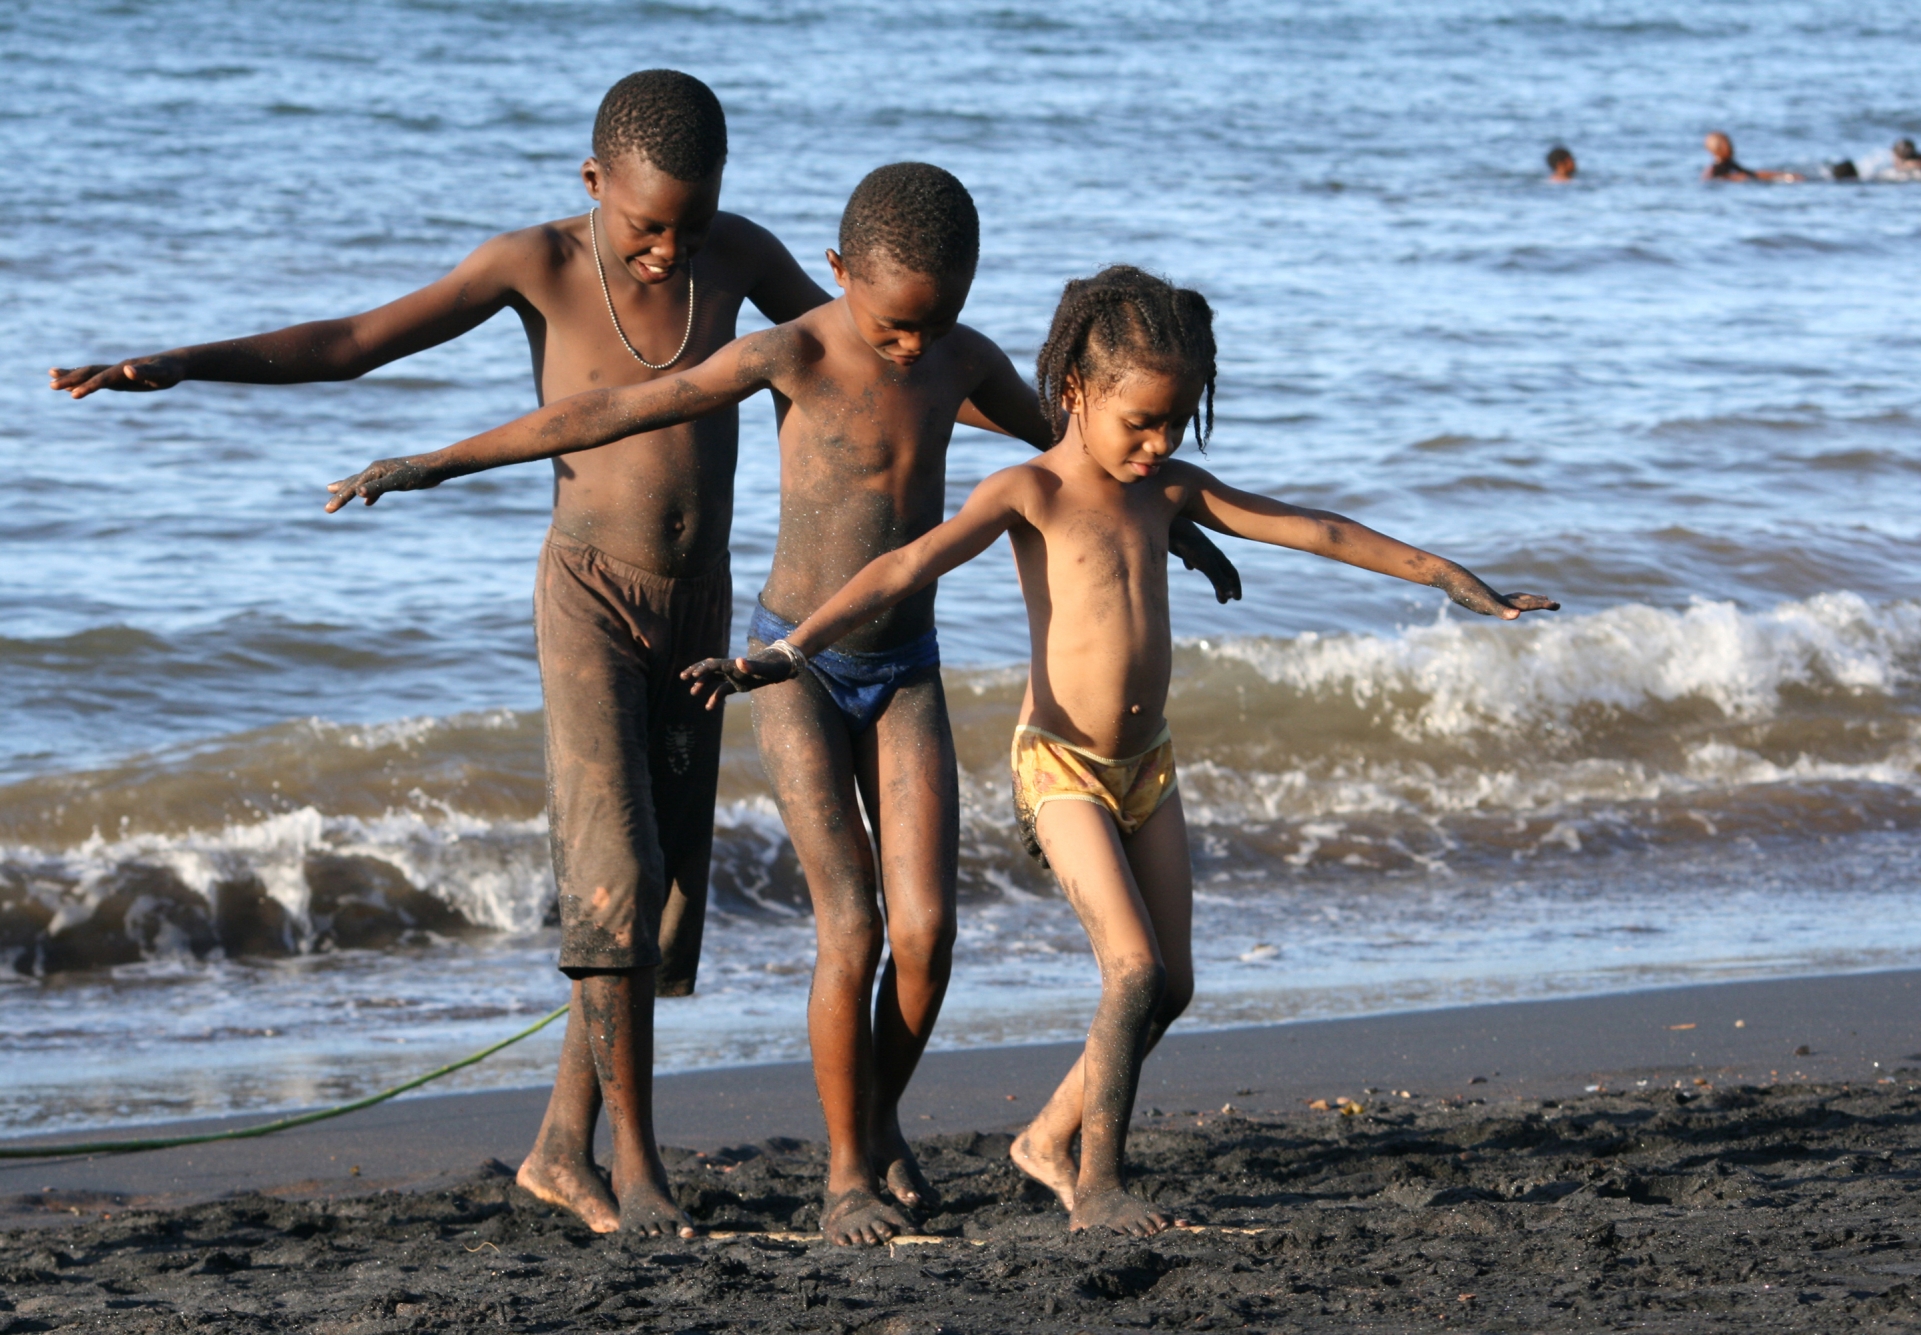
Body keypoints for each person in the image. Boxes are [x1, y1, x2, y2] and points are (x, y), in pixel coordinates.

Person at [321, 168, 1242, 1244]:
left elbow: (1087, 451)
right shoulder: (792, 351)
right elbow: (619, 407)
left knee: (931, 936)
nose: (916, 345)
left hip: (906, 669)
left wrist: (1173, 522)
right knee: (848, 924)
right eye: (898, 323)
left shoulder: (958, 356)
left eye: (939, 319)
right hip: (792, 666)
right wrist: (439, 462)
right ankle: (846, 1173)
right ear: (842, 272)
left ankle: (878, 1116)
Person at [49, 70, 861, 1240]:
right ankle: (636, 1172)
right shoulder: (534, 262)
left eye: (687, 223)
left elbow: (858, 352)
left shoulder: (734, 255)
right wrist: (185, 360)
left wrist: (1046, 420)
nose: (665, 251)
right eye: (643, 227)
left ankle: (555, 1153)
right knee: (612, 884)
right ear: (593, 185)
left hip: (699, 606)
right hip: (589, 596)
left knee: (667, 903)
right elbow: (352, 342)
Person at [679, 266, 1558, 1235]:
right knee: (1130, 973)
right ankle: (1096, 1186)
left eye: (1176, 421)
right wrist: (789, 650)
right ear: (1072, 393)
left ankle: (1047, 1139)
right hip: (1057, 763)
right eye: (1138, 421)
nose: (1158, 443)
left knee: (1170, 986)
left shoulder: (1169, 489)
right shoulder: (1030, 491)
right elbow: (902, 563)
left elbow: (1315, 529)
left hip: (1147, 765)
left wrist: (1453, 580)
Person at [1702, 131, 1801, 183]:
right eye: (1729, 145)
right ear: (1718, 149)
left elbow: (1751, 174)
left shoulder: (1729, 164)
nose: (1732, 148)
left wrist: (1783, 176)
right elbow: (1745, 176)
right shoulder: (1715, 169)